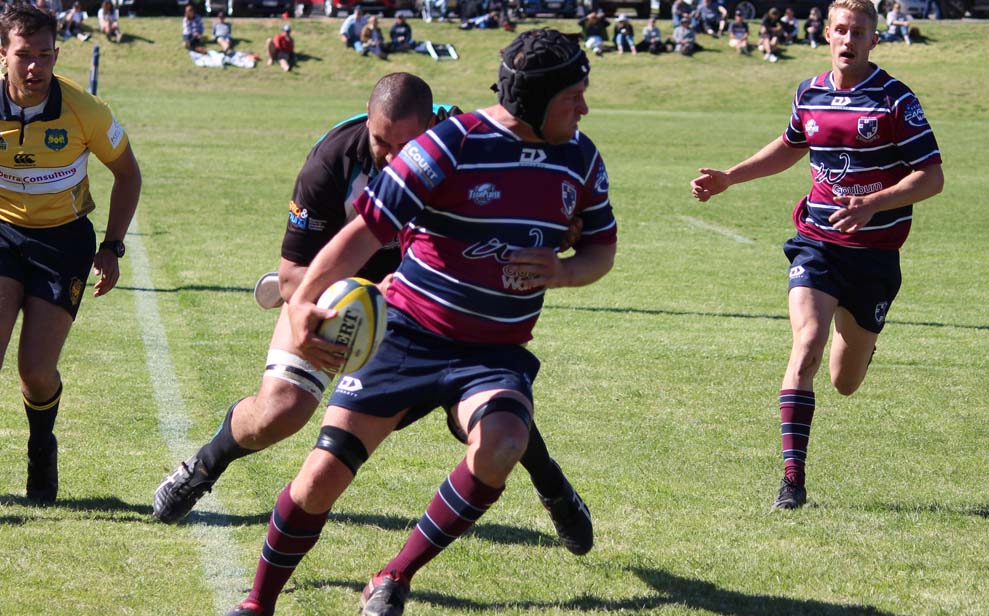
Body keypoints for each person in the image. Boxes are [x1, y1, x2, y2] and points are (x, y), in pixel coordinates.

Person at [205, 29, 616, 616]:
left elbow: (601, 249)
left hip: (492, 353)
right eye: (572, 96)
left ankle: (394, 577)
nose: (584, 107)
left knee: (504, 442)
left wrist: (563, 271)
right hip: (406, 335)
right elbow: (365, 231)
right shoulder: (450, 144)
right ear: (533, 100)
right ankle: (257, 603)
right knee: (320, 479)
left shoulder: (580, 157)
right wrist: (305, 301)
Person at [155, 71, 593, 560]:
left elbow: (524, 206)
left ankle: (552, 486)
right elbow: (294, 276)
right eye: (381, 141)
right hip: (337, 291)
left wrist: (563, 227)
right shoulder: (332, 162)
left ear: (432, 126)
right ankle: (202, 467)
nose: (391, 155)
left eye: (405, 144)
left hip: (428, 303)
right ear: (367, 121)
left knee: (487, 409)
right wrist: (358, 298)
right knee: (279, 411)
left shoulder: (465, 146)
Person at [690, 0, 943, 510]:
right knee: (806, 345)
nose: (848, 39)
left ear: (874, 40)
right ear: (827, 34)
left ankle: (861, 339)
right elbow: (790, 145)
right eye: (841, 30)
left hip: (874, 255)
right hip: (818, 242)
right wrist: (730, 178)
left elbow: (931, 176)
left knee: (844, 383)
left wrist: (873, 203)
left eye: (859, 32)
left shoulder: (895, 99)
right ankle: (792, 481)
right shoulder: (809, 93)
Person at [0, 3, 141, 503]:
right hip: (3, 235)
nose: (34, 66)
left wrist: (112, 246)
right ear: (3, 54)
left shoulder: (87, 110)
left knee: (36, 372)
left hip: (62, 243)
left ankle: (41, 447)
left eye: (45, 55)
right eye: (24, 55)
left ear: (57, 54)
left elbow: (128, 174)